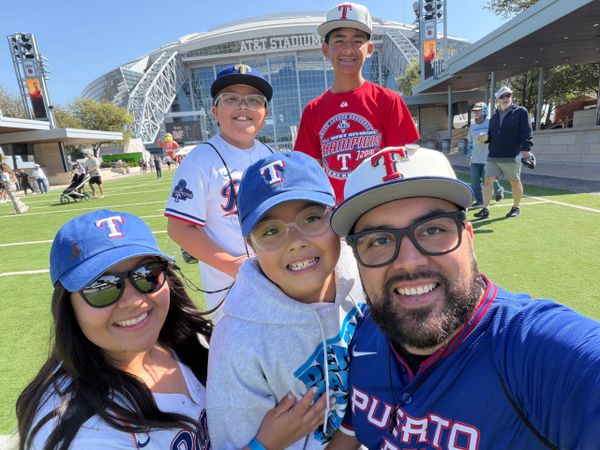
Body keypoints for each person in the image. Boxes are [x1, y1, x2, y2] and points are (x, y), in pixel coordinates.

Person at [322, 146, 600, 449]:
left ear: (469, 238)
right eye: (379, 240)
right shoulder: (366, 333)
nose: (409, 261)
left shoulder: (534, 353)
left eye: (432, 229)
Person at [16, 209, 326, 450]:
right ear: (68, 306)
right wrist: (264, 445)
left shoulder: (191, 341)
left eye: (147, 274)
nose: (134, 300)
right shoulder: (80, 428)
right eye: (102, 287)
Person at [207, 151, 366, 449]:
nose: (296, 242)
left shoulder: (368, 275)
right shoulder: (237, 342)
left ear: (335, 217)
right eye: (271, 231)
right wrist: (262, 446)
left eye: (311, 218)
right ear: (250, 244)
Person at [165, 64, 276, 321]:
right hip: (232, 292)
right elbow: (179, 228)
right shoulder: (200, 160)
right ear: (215, 111)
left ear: (265, 112)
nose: (243, 106)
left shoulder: (271, 155)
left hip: (276, 279)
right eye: (231, 99)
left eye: (253, 100)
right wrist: (235, 266)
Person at [294, 1, 419, 203]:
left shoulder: (388, 100)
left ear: (369, 49)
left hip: (379, 210)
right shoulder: (313, 110)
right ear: (325, 49)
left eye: (357, 41)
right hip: (336, 216)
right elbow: (310, 173)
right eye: (339, 41)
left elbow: (405, 166)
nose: (348, 49)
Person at [474, 86, 533, 219]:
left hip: (512, 155)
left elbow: (527, 131)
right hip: (493, 155)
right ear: (497, 100)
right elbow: (491, 135)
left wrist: (526, 149)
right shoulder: (494, 117)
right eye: (502, 96)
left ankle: (516, 207)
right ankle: (485, 209)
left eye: (508, 95)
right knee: (488, 181)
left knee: (514, 181)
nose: (506, 98)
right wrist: (484, 138)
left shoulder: (521, 112)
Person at [466, 102, 503, 207]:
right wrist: (468, 156)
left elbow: (497, 138)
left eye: (479, 110)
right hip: (475, 158)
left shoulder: (491, 123)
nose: (476, 112)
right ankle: (480, 200)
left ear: (484, 110)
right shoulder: (472, 126)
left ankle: (499, 190)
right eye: (475, 111)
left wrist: (487, 138)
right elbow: (469, 142)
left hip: (488, 158)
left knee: (488, 179)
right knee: (475, 182)